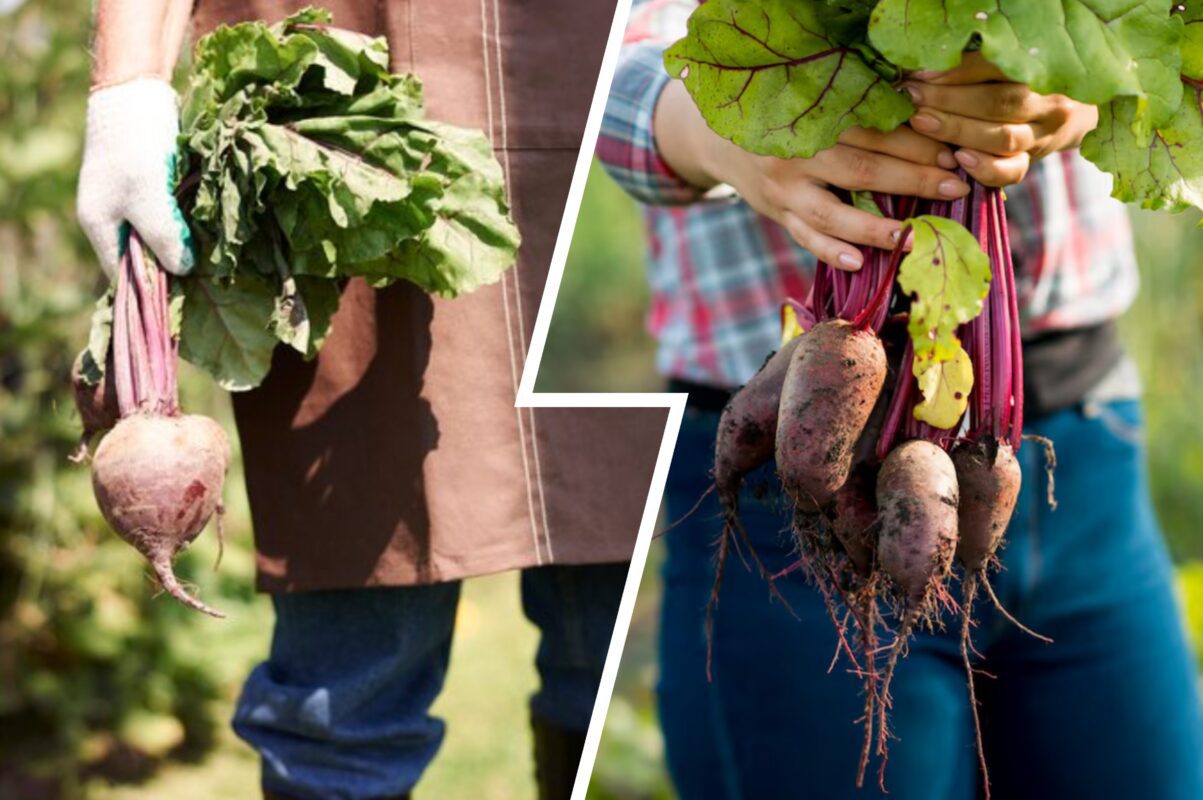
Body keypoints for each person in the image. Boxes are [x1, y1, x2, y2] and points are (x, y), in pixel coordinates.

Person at [598, 1, 1203, 798]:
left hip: (1081, 454)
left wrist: (1094, 82)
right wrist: (714, 130)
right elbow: (577, 64)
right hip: (795, 477)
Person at [76, 1, 664, 798]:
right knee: (344, 692)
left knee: (602, 647)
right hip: (331, 112)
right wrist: (127, 88)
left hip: (589, 101)